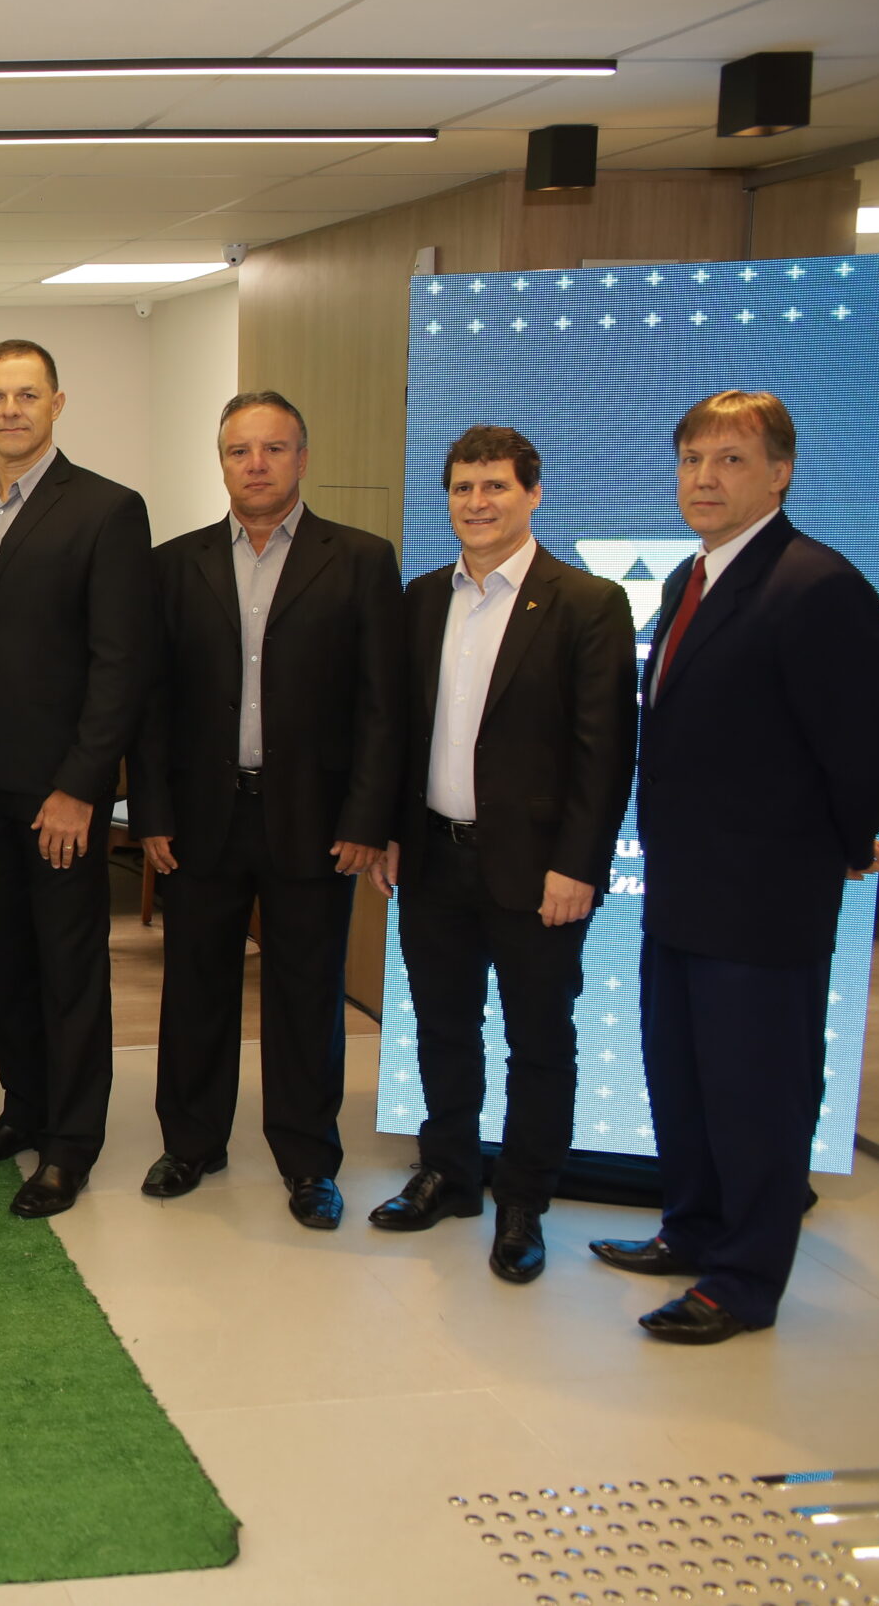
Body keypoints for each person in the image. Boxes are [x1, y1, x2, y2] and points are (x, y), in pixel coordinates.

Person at [590, 391, 879, 1344]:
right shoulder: (689, 578)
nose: (704, 478)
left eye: (730, 459)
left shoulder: (817, 586)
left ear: (780, 473)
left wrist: (835, 849)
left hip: (765, 902)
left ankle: (744, 1280)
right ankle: (692, 1229)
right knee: (683, 1079)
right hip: (684, 889)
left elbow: (869, 756)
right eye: (692, 459)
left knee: (758, 1094)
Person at [368, 425, 636, 1282]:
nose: (477, 503)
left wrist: (579, 865)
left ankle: (523, 1200)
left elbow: (605, 752)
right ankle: (448, 1172)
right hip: (434, 858)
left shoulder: (587, 602)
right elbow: (398, 732)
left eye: (495, 486)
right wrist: (390, 830)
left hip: (538, 872)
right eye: (462, 488)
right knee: (442, 1028)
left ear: (533, 494)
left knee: (539, 1041)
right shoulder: (420, 599)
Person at [134, 391, 402, 1231]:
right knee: (195, 987)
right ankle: (191, 1141)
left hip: (316, 821)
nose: (256, 464)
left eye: (274, 448)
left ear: (302, 459)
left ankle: (308, 1158)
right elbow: (151, 702)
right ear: (221, 461)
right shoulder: (173, 564)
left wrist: (366, 818)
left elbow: (382, 705)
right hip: (200, 817)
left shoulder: (359, 559)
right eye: (239, 450)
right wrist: (151, 812)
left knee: (307, 994)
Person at [0, 339, 153, 1218]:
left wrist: (82, 785)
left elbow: (120, 662)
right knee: (3, 961)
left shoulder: (106, 508)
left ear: (57, 403)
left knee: (68, 968)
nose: (10, 409)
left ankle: (71, 1143)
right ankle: (23, 1107)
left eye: (27, 394)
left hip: (59, 793)